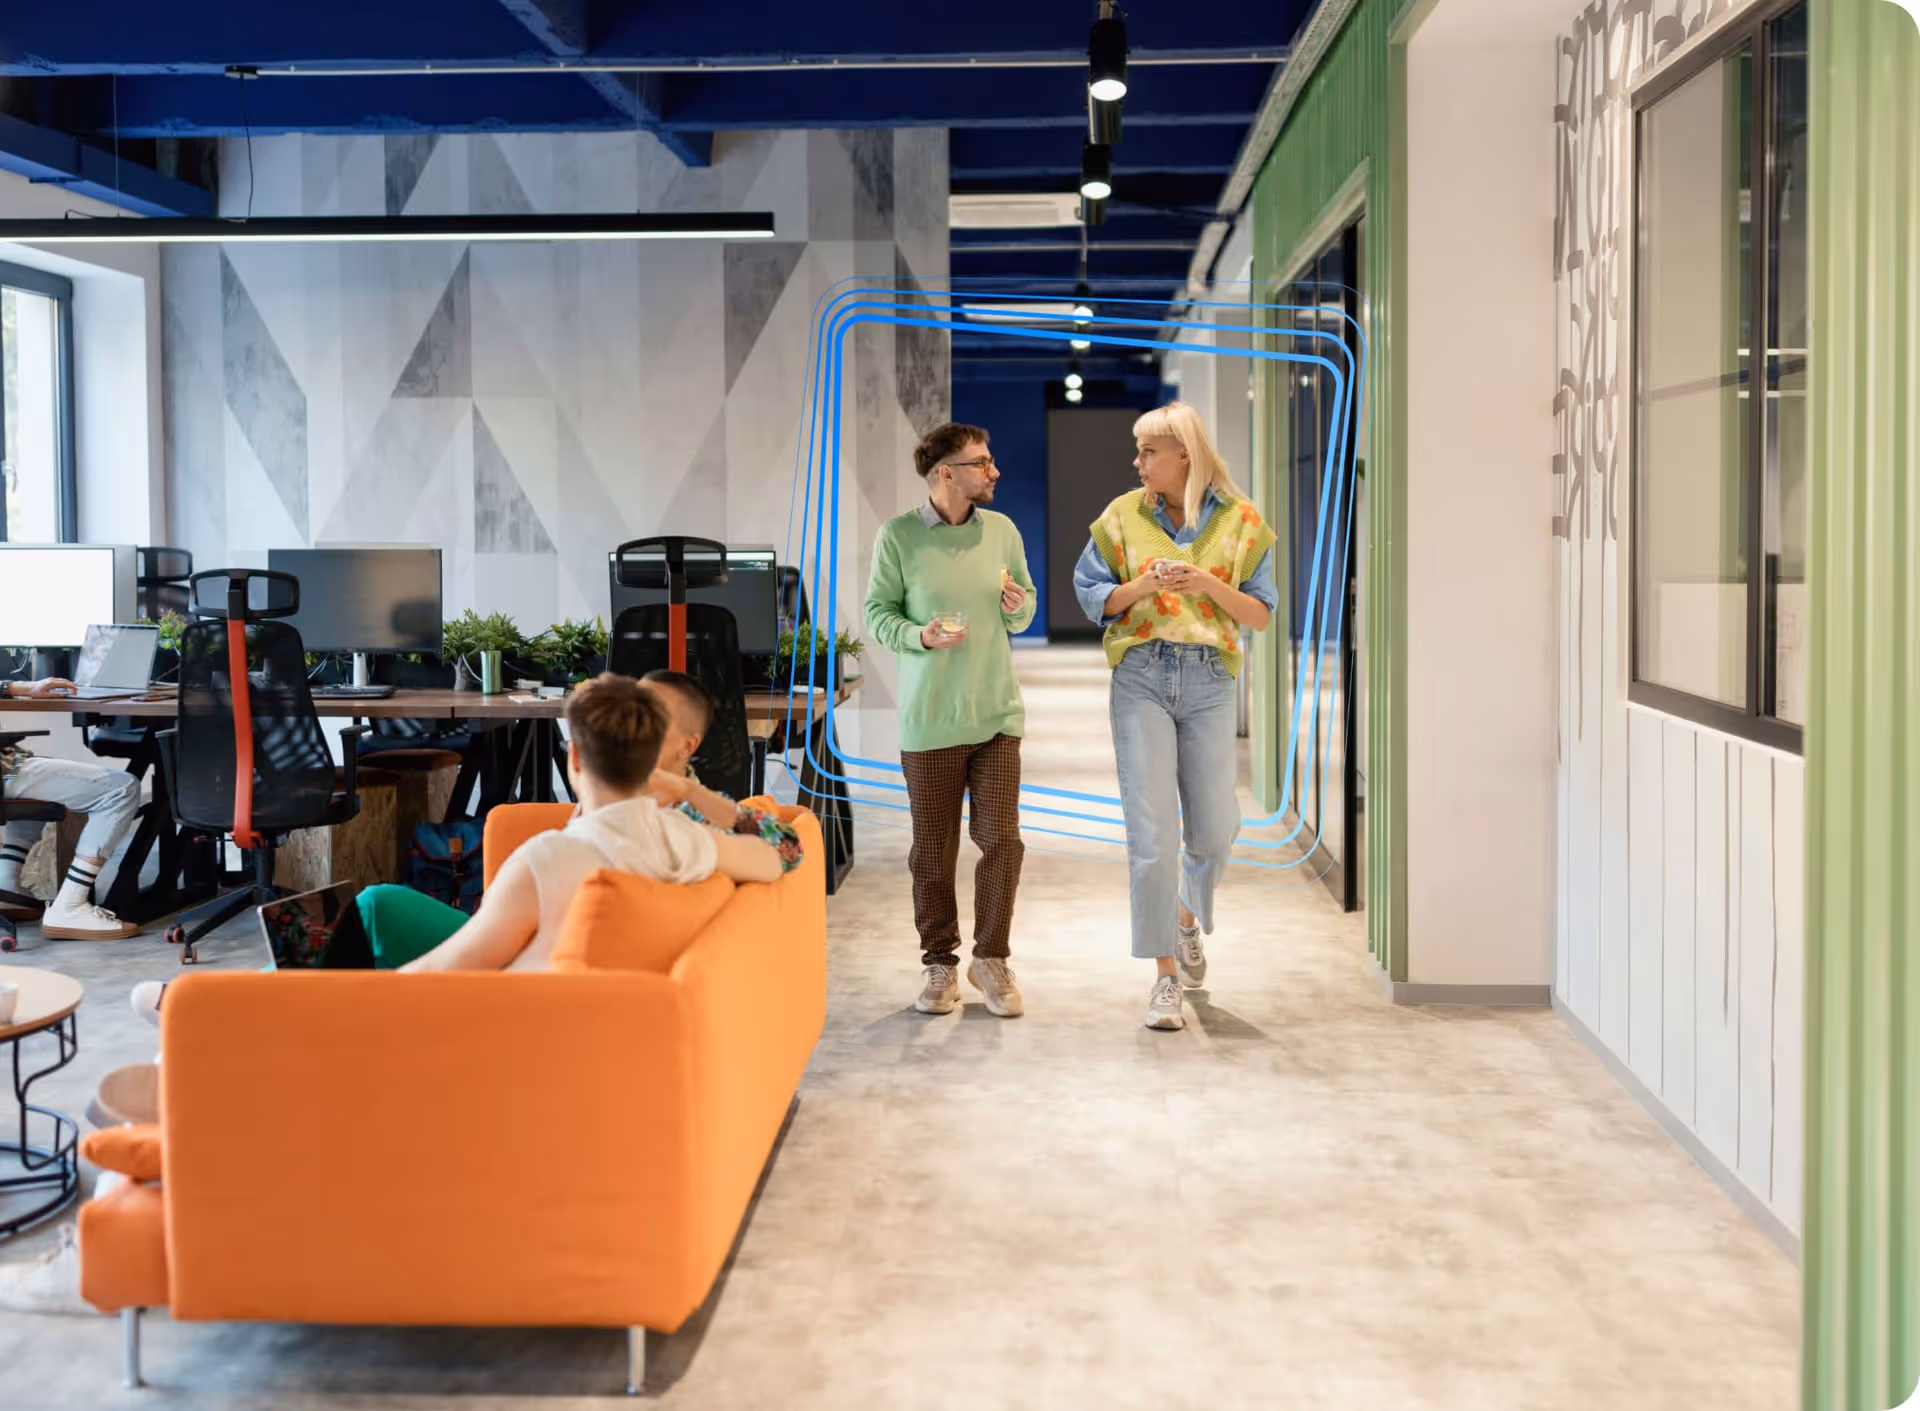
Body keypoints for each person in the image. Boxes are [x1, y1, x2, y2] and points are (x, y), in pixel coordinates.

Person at [1072, 402, 1278, 1031]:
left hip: (1211, 681)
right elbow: (1092, 596)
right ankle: (1164, 976)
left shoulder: (1243, 522)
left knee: (1216, 828)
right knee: (1153, 834)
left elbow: (1261, 615)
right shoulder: (1121, 517)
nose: (1137, 464)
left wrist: (1205, 584)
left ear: (1183, 455)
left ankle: (1185, 916)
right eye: (1138, 452)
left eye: (1148, 453)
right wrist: (1143, 587)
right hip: (1141, 677)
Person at [379, 673, 789, 971]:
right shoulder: (679, 838)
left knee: (376, 907)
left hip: (521, 972)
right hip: (536, 942)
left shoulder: (682, 822)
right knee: (381, 909)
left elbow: (784, 848)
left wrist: (689, 792)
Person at [864, 422, 1037, 1018]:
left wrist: (1019, 607)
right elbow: (878, 614)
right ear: (946, 472)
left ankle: (991, 959)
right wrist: (921, 635)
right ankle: (940, 963)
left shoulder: (1004, 531)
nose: (993, 472)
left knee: (1002, 843)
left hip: (996, 714)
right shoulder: (899, 537)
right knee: (932, 853)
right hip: (931, 720)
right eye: (980, 463)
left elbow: (1023, 606)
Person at [0, 676, 142, 939]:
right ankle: (70, 905)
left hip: (9, 763)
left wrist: (21, 688)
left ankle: (7, 882)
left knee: (41, 778)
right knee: (121, 788)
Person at [640, 670, 803, 874]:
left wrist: (688, 791)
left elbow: (792, 851)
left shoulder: (699, 813)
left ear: (688, 745)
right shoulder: (599, 787)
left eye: (649, 719)